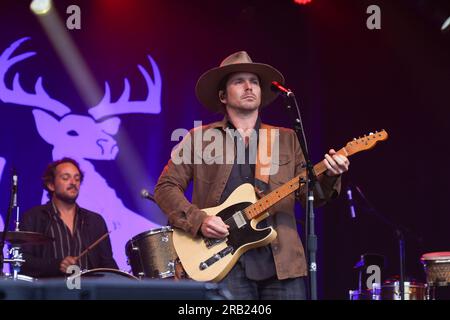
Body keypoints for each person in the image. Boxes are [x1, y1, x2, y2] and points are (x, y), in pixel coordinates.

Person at [154, 51, 350, 299]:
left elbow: (311, 196)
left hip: (282, 264)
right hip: (223, 262)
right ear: (223, 95)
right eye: (239, 81)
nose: (249, 87)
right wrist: (199, 220)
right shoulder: (199, 139)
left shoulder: (287, 138)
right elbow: (165, 187)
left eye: (254, 81)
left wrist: (331, 175)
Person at [20, 157, 118, 278]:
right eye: (66, 178)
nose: (73, 182)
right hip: (49, 292)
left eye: (77, 179)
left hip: (88, 292)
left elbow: (107, 263)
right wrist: (57, 265)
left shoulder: (95, 221)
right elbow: (23, 262)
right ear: (51, 185)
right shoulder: (33, 217)